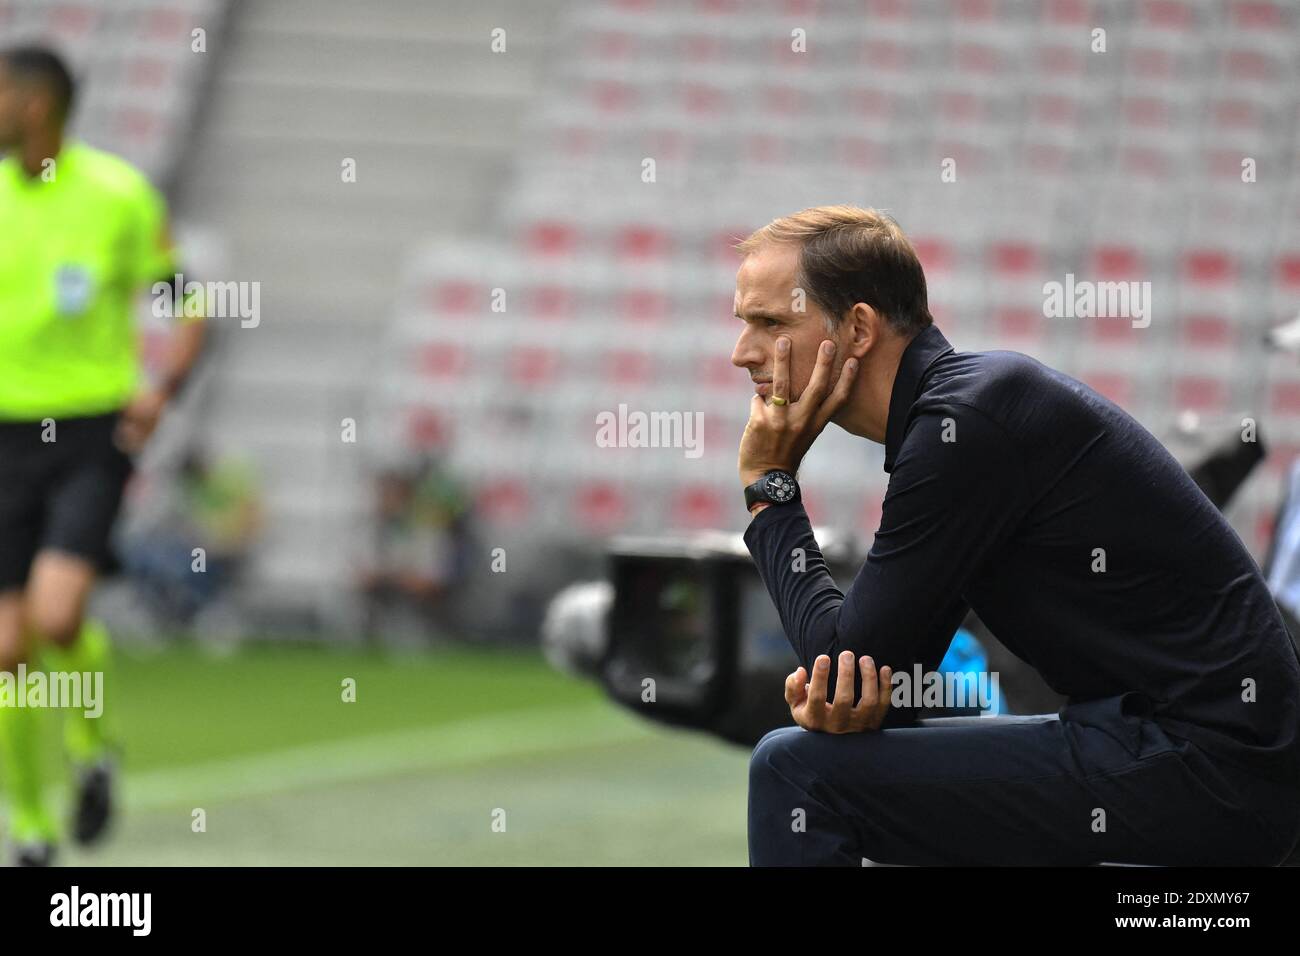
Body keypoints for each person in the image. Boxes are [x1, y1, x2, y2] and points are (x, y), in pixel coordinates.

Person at [732, 205, 1300, 866]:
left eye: (770, 322)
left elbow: (840, 655)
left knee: (796, 774)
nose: (743, 353)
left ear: (858, 327)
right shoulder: (966, 413)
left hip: (1210, 766)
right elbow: (872, 675)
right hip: (1185, 753)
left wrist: (769, 485)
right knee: (841, 767)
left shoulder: (969, 422)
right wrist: (850, 701)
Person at [0, 46, 206, 865]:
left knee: (55, 618)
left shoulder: (118, 195)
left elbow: (189, 303)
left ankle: (92, 747)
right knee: (6, 652)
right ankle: (30, 825)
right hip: (3, 436)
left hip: (88, 432)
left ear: (38, 104)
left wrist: (161, 391)